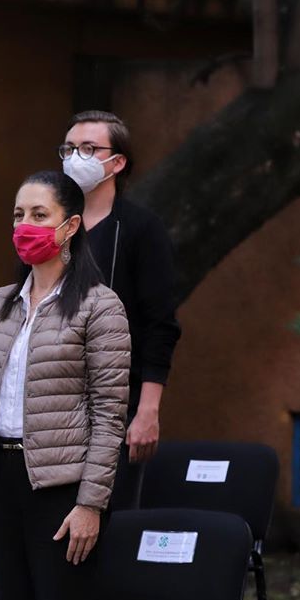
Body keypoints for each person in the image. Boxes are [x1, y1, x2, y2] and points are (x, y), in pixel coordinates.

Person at [0, 170, 130, 600]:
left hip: (61, 487)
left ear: (71, 225)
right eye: (18, 214)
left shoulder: (100, 306)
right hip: (2, 479)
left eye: (39, 215)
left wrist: (91, 502)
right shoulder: (0, 304)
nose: (25, 225)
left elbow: (109, 413)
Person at [59, 110, 181, 510]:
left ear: (117, 162)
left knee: (104, 520)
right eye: (70, 148)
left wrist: (147, 410)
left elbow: (160, 325)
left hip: (115, 403)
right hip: (52, 399)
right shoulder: (51, 227)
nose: (76, 157)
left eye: (89, 148)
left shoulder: (141, 229)